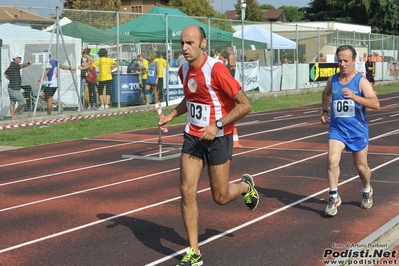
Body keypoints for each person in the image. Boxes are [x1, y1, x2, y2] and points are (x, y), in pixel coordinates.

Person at [158, 25, 259, 266]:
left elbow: (245, 105)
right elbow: (191, 98)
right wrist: (173, 114)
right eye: (182, 43)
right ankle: (194, 251)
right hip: (192, 137)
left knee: (220, 196)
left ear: (203, 44)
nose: (184, 48)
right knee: (186, 191)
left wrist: (218, 124)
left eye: (190, 43)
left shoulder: (216, 69)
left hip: (218, 137)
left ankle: (245, 187)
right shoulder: (183, 70)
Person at [320, 45, 380, 217]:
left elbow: (375, 103)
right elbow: (325, 94)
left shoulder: (361, 81)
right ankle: (333, 196)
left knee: (361, 167)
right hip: (337, 130)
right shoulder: (333, 80)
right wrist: (324, 111)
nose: (342, 63)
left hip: (357, 130)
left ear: (354, 61)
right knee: (332, 160)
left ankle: (367, 190)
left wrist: (355, 97)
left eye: (346, 60)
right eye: (339, 60)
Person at [4, 54, 32, 119]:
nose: (20, 59)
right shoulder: (14, 65)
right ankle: (14, 113)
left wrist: (10, 78)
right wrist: (28, 63)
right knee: (23, 103)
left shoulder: (11, 66)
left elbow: (5, 73)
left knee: (12, 103)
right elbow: (22, 65)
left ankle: (13, 117)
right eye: (19, 58)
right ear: (15, 59)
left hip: (12, 88)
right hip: (14, 89)